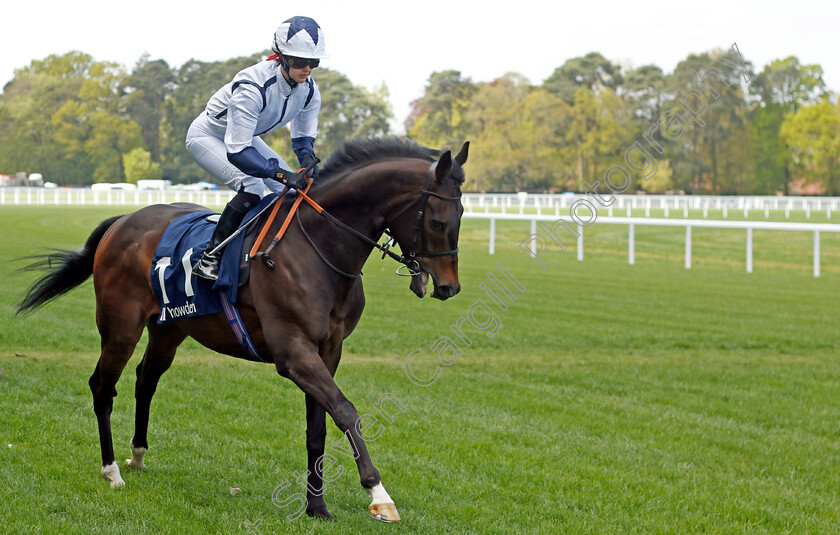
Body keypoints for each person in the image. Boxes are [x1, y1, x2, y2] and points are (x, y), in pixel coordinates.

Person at [185, 16, 327, 280]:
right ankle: (210, 257)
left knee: (298, 191)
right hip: (208, 135)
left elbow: (302, 138)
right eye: (298, 61)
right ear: (282, 57)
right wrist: (283, 175)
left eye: (313, 63)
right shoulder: (252, 86)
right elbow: (238, 152)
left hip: (245, 137)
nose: (306, 69)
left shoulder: (308, 89)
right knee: (252, 186)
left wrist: (307, 160)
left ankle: (287, 254)